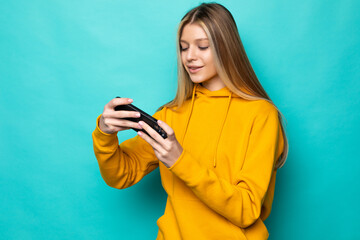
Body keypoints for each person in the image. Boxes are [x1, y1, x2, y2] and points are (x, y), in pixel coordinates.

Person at [92, 2, 288, 240]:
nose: (190, 57)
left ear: (227, 48)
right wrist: (105, 133)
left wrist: (179, 160)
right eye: (184, 48)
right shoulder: (170, 114)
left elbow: (246, 210)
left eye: (202, 47)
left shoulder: (261, 115)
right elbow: (122, 174)